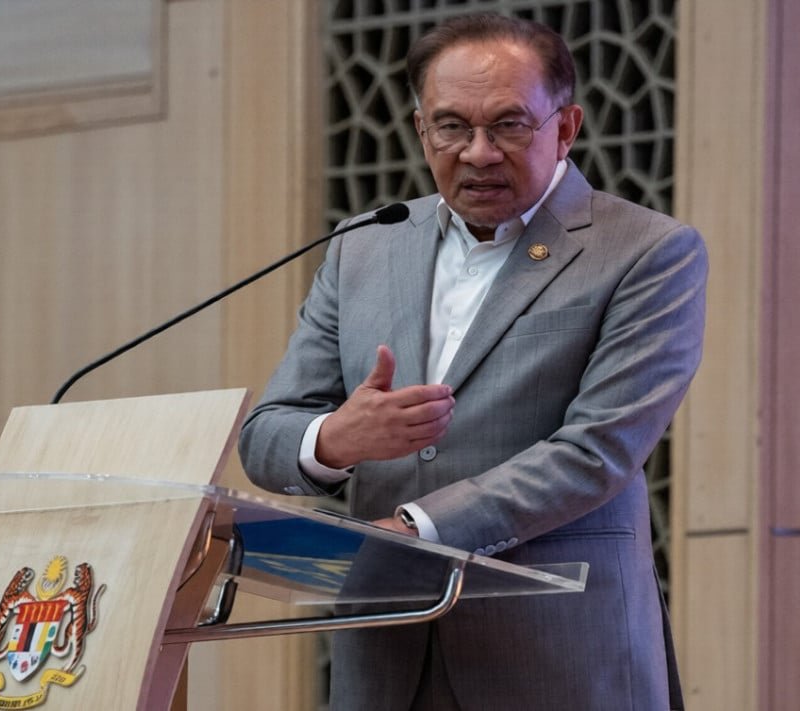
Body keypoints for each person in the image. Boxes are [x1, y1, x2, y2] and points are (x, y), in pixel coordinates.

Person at [238, 12, 705, 711]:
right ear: (421, 129)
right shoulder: (364, 246)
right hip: (387, 654)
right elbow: (265, 437)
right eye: (451, 126)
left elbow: (598, 450)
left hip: (556, 654)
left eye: (509, 125)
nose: (478, 153)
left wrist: (415, 528)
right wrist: (334, 439)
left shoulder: (646, 251)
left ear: (565, 127)